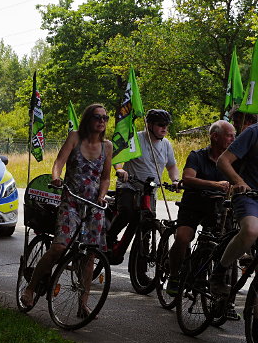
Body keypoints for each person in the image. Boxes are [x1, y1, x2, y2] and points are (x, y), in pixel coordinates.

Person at [20, 104, 113, 311]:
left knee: (89, 256)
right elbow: (59, 163)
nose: (102, 121)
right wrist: (56, 178)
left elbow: (105, 177)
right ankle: (31, 288)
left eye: (105, 118)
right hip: (71, 201)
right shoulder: (75, 137)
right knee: (59, 248)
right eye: (97, 117)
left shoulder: (107, 146)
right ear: (88, 119)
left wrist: (102, 195)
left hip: (93, 205)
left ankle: (83, 303)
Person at [166, 120, 235, 295]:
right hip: (193, 204)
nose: (233, 139)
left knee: (221, 244)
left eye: (234, 135)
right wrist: (216, 185)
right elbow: (188, 179)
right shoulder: (197, 156)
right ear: (215, 136)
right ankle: (174, 276)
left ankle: (212, 284)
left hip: (218, 208)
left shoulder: (233, 159)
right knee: (182, 237)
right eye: (229, 135)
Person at [106, 109, 180, 265]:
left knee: (147, 224)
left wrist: (175, 180)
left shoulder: (166, 144)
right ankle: (109, 238)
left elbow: (171, 166)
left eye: (166, 125)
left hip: (149, 190)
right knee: (127, 212)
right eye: (161, 125)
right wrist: (120, 169)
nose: (164, 129)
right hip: (129, 185)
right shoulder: (136, 139)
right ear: (149, 125)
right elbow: (118, 156)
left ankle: (141, 270)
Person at [210, 118, 258, 296]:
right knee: (252, 230)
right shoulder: (253, 132)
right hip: (249, 195)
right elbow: (223, 161)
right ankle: (219, 273)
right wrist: (239, 182)